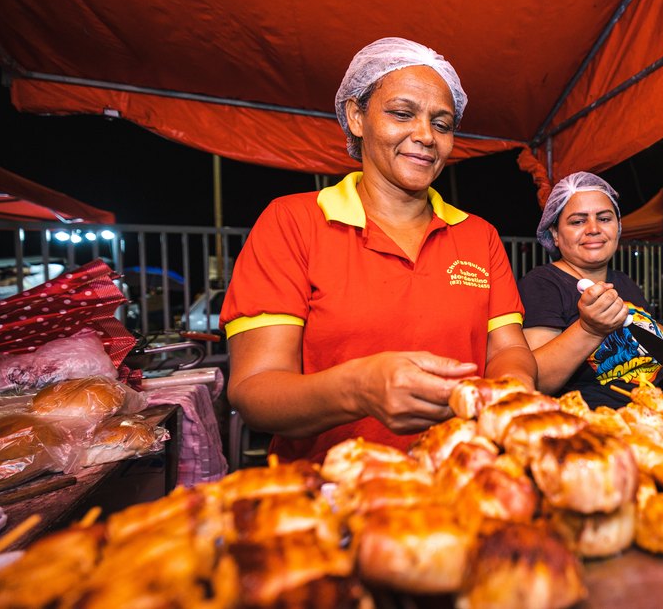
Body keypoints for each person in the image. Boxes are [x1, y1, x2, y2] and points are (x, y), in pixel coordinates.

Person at [220, 38, 536, 463]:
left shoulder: (478, 235)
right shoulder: (293, 222)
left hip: (464, 473)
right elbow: (256, 391)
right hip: (333, 488)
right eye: (402, 113)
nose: (425, 135)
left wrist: (508, 396)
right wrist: (359, 389)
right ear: (356, 116)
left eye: (441, 124)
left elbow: (509, 350)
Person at [518, 172, 663, 409]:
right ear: (555, 234)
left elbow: (653, 331)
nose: (593, 228)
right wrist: (589, 329)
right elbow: (536, 380)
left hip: (658, 409)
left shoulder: (623, 281)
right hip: (601, 424)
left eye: (604, 218)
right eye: (578, 221)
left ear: (618, 227)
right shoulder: (543, 284)